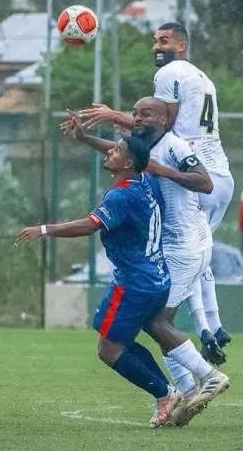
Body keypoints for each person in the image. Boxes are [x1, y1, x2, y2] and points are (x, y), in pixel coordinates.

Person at [61, 98, 230, 427]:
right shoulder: (142, 146)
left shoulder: (176, 145)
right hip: (170, 245)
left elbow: (205, 182)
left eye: (146, 113)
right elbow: (121, 152)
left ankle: (206, 378)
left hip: (185, 245)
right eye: (135, 113)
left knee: (155, 321)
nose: (137, 118)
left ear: (164, 120)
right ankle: (182, 395)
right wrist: (84, 139)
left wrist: (162, 170)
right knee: (152, 321)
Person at [78, 22, 234, 358]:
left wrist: (111, 115)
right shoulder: (202, 76)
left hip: (193, 173)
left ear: (182, 45)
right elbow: (158, 123)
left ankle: (202, 341)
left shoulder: (170, 73)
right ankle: (212, 327)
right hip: (220, 175)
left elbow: (159, 121)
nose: (156, 47)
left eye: (164, 41)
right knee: (196, 254)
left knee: (179, 253)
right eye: (155, 41)